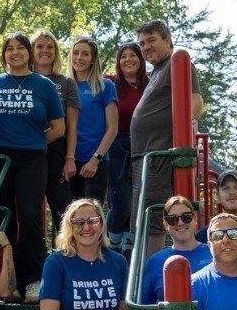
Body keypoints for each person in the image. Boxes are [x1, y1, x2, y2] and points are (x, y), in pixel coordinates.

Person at [0, 31, 65, 301]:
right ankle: (8, 281)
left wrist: (33, 140)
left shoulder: (42, 85)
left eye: (20, 48)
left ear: (29, 53)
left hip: (32, 157)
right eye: (9, 49)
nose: (15, 53)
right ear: (4, 54)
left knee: (30, 215)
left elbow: (59, 126)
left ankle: (33, 280)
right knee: (2, 216)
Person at [130, 19, 203, 256]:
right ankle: (145, 269)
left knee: (153, 216)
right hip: (146, 154)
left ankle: (151, 270)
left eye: (152, 40)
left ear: (167, 40)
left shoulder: (177, 62)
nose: (146, 47)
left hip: (162, 152)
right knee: (142, 215)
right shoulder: (158, 71)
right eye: (142, 44)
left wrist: (180, 139)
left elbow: (195, 102)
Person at [138, 195, 211, 310]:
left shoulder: (213, 254)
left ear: (195, 220)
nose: (180, 223)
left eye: (186, 217)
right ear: (165, 224)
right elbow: (144, 309)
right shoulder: (155, 261)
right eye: (172, 219)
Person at [30, 29, 80, 236]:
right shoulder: (21, 80)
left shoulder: (66, 83)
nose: (45, 51)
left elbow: (71, 126)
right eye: (40, 46)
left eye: (50, 47)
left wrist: (70, 158)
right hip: (28, 154)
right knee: (29, 211)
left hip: (56, 153)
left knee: (63, 212)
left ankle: (67, 258)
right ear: (31, 50)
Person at [104, 41, 149, 253]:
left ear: (141, 60)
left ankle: (129, 249)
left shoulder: (150, 85)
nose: (128, 60)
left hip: (142, 146)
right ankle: (112, 247)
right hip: (115, 146)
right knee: (121, 202)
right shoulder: (109, 82)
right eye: (123, 56)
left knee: (138, 203)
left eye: (133, 55)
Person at [67, 34, 118, 204]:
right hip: (67, 161)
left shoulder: (104, 85)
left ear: (93, 59)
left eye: (85, 54)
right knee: (68, 218)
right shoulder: (64, 86)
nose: (79, 58)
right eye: (76, 53)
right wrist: (68, 160)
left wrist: (95, 159)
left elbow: (112, 128)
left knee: (92, 216)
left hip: (95, 161)